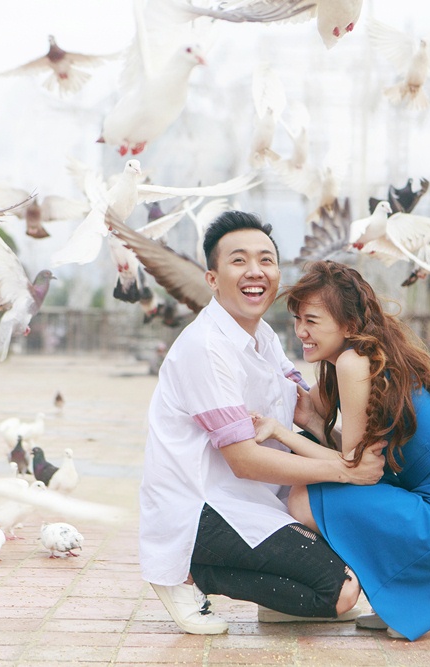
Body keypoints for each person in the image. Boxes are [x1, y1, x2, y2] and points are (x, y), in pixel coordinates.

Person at [139, 212, 387, 635]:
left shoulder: (264, 338)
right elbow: (244, 461)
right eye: (239, 260)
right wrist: (349, 471)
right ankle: (188, 571)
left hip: (259, 497)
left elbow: (306, 409)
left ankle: (277, 602)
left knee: (351, 543)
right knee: (341, 592)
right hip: (204, 508)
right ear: (212, 279)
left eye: (266, 260)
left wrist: (348, 351)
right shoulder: (206, 347)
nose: (255, 271)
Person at [252, 260, 430, 641]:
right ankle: (399, 602)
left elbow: (353, 468)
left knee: (304, 496)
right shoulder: (362, 358)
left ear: (349, 325)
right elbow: (359, 464)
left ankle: (353, 592)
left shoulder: (352, 362)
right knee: (314, 481)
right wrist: (314, 424)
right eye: (297, 319)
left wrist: (281, 434)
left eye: (312, 321)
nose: (301, 331)